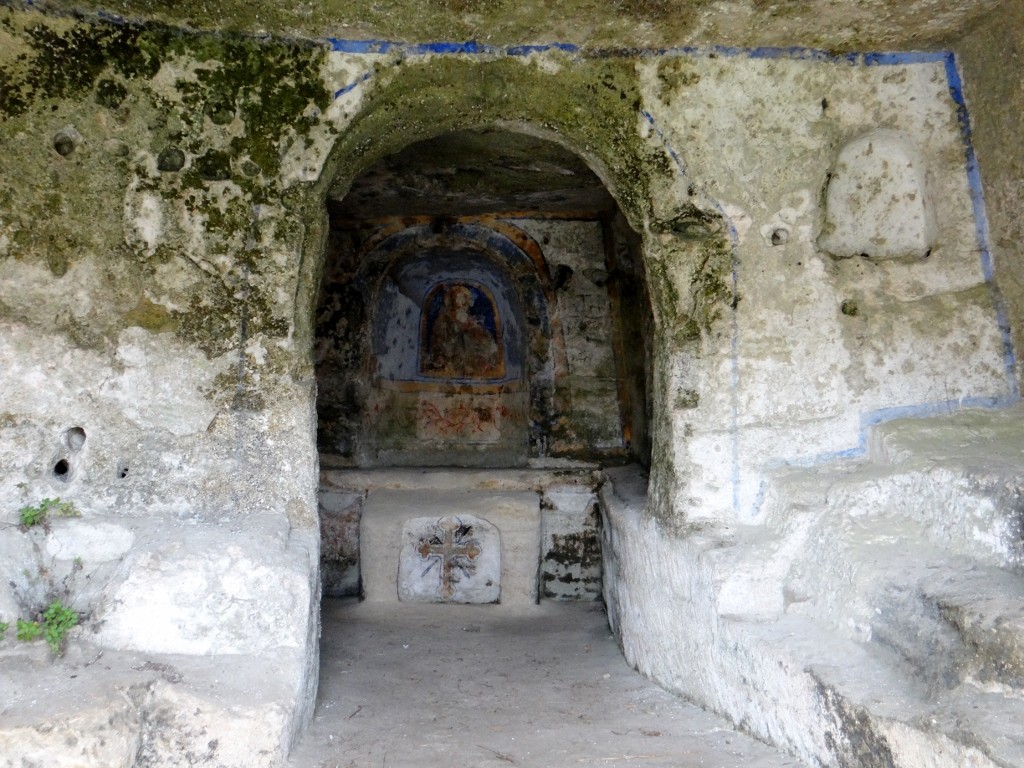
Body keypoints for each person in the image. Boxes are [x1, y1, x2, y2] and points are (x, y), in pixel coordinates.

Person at [424, 284, 501, 379]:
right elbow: (445, 331)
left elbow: (469, 324)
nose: (460, 300)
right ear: (452, 299)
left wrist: (474, 326)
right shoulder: (445, 314)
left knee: (484, 336)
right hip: (451, 342)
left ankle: (488, 359)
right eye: (457, 297)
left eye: (462, 297)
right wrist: (462, 326)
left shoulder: (465, 312)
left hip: (466, 338)